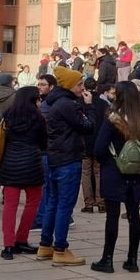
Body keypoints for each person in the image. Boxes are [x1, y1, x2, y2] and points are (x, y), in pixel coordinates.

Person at [91, 82, 140, 273]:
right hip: (136, 172)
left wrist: (107, 161)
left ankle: (107, 259)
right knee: (134, 215)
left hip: (114, 169)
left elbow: (99, 147)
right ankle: (132, 260)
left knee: (113, 216)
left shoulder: (113, 118)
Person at [37, 66, 95, 266]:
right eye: (79, 84)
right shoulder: (67, 104)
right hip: (68, 158)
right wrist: (89, 107)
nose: (82, 87)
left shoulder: (54, 102)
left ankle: (46, 245)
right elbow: (87, 127)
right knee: (64, 205)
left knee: (53, 203)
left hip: (55, 157)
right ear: (70, 85)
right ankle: (60, 249)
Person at [0, 87, 48, 259]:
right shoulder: (38, 117)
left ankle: (8, 245)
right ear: (33, 100)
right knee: (33, 202)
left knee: (10, 206)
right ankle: (21, 239)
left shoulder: (8, 115)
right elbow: (43, 143)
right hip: (32, 163)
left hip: (10, 163)